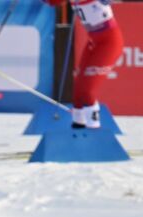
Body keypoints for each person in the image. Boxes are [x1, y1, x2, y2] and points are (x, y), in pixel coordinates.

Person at [49, 0, 125, 129]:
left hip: (109, 44)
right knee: (78, 89)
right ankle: (79, 124)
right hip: (93, 42)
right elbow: (53, 2)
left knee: (87, 90)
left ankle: (94, 127)